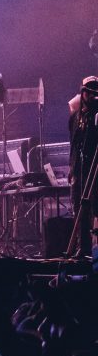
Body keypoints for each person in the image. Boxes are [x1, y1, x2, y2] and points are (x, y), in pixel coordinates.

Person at [68, 76, 98, 256]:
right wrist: (71, 168)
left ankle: (94, 247)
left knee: (95, 206)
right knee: (79, 206)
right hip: (80, 167)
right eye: (89, 90)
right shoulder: (76, 117)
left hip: (95, 168)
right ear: (83, 92)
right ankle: (83, 246)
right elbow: (73, 144)